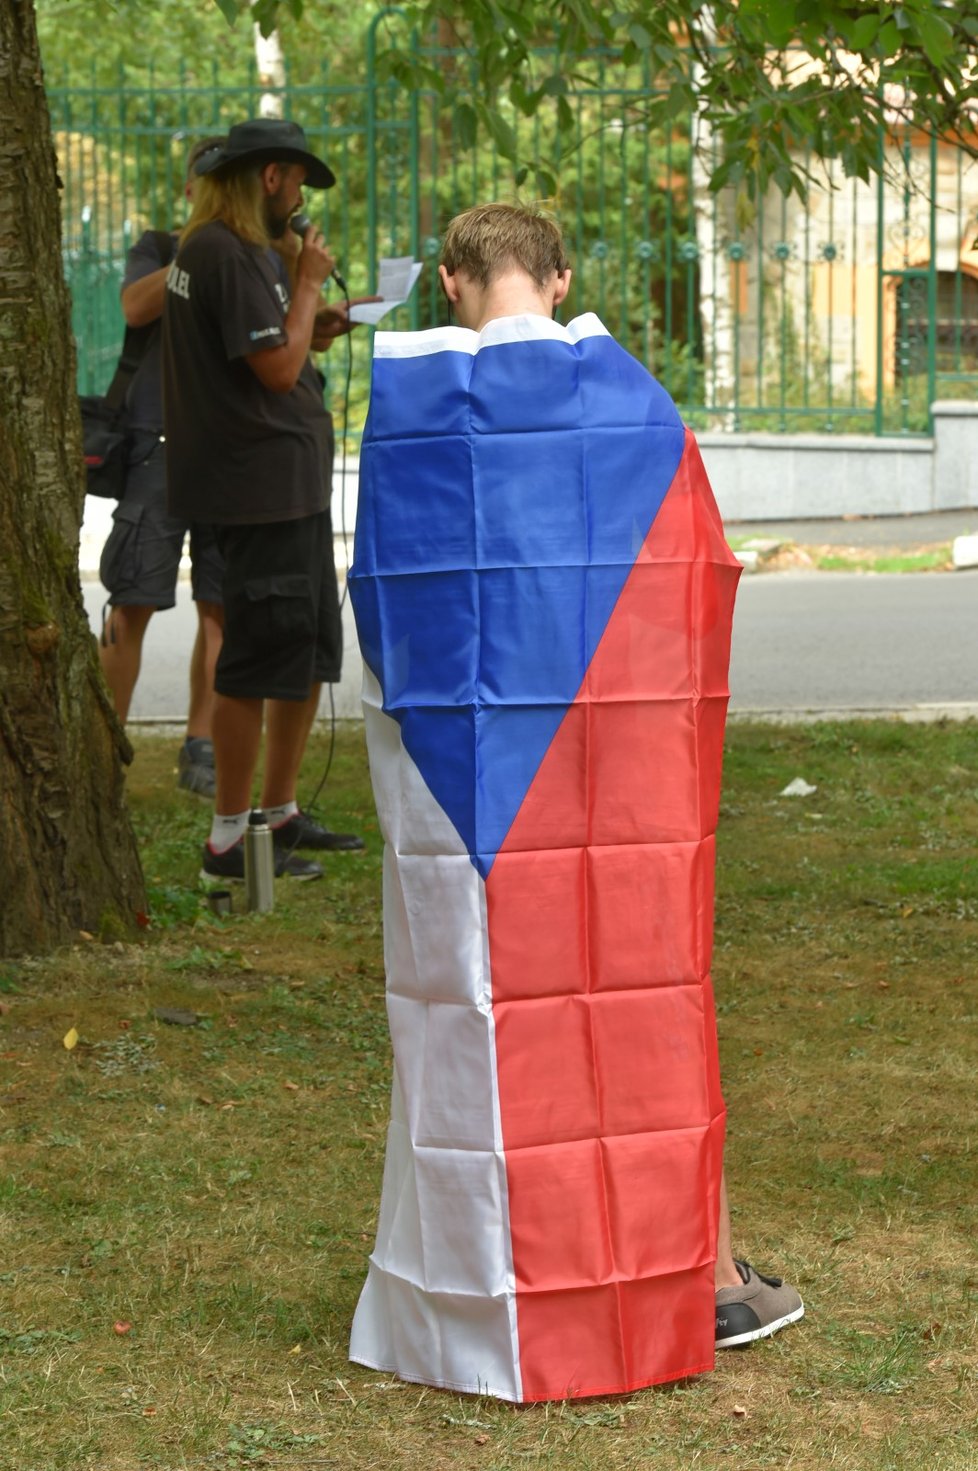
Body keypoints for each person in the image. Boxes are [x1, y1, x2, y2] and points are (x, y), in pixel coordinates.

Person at [347, 204, 802, 1402]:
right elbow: (697, 582)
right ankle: (673, 1270)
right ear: (562, 275)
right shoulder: (638, 409)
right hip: (613, 787)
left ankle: (469, 1285)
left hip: (462, 800)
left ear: (450, 280)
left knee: (473, 1024)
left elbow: (387, 612)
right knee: (635, 1025)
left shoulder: (404, 426)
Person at [161, 118, 365, 883]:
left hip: (288, 486)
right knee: (254, 664)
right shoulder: (222, 251)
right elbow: (276, 373)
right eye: (300, 181)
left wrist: (316, 323)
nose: (304, 199)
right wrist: (309, 282)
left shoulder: (239, 251)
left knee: (304, 651)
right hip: (257, 490)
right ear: (272, 177)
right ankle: (228, 842)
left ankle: (276, 813)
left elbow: (274, 347)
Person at [99, 135, 227, 797]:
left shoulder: (250, 252)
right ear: (189, 191)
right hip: (157, 444)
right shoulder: (160, 247)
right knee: (134, 596)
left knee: (221, 606)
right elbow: (135, 307)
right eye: (207, 182)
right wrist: (195, 249)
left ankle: (200, 746)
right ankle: (106, 747)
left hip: (227, 451)